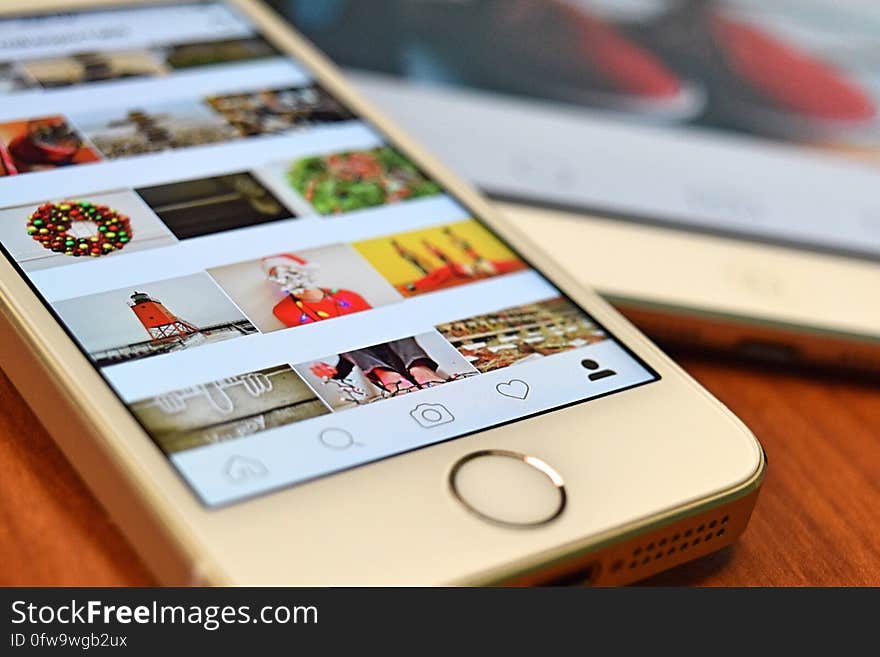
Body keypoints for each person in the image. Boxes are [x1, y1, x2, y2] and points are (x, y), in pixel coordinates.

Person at [262, 253, 371, 326]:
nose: (288, 278)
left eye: (291, 271)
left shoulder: (348, 296)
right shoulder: (283, 311)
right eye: (278, 276)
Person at [312, 337, 447, 395]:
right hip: (383, 372)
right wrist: (331, 372)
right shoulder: (349, 352)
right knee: (347, 347)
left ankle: (419, 368)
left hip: (405, 359)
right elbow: (342, 371)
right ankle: (389, 376)